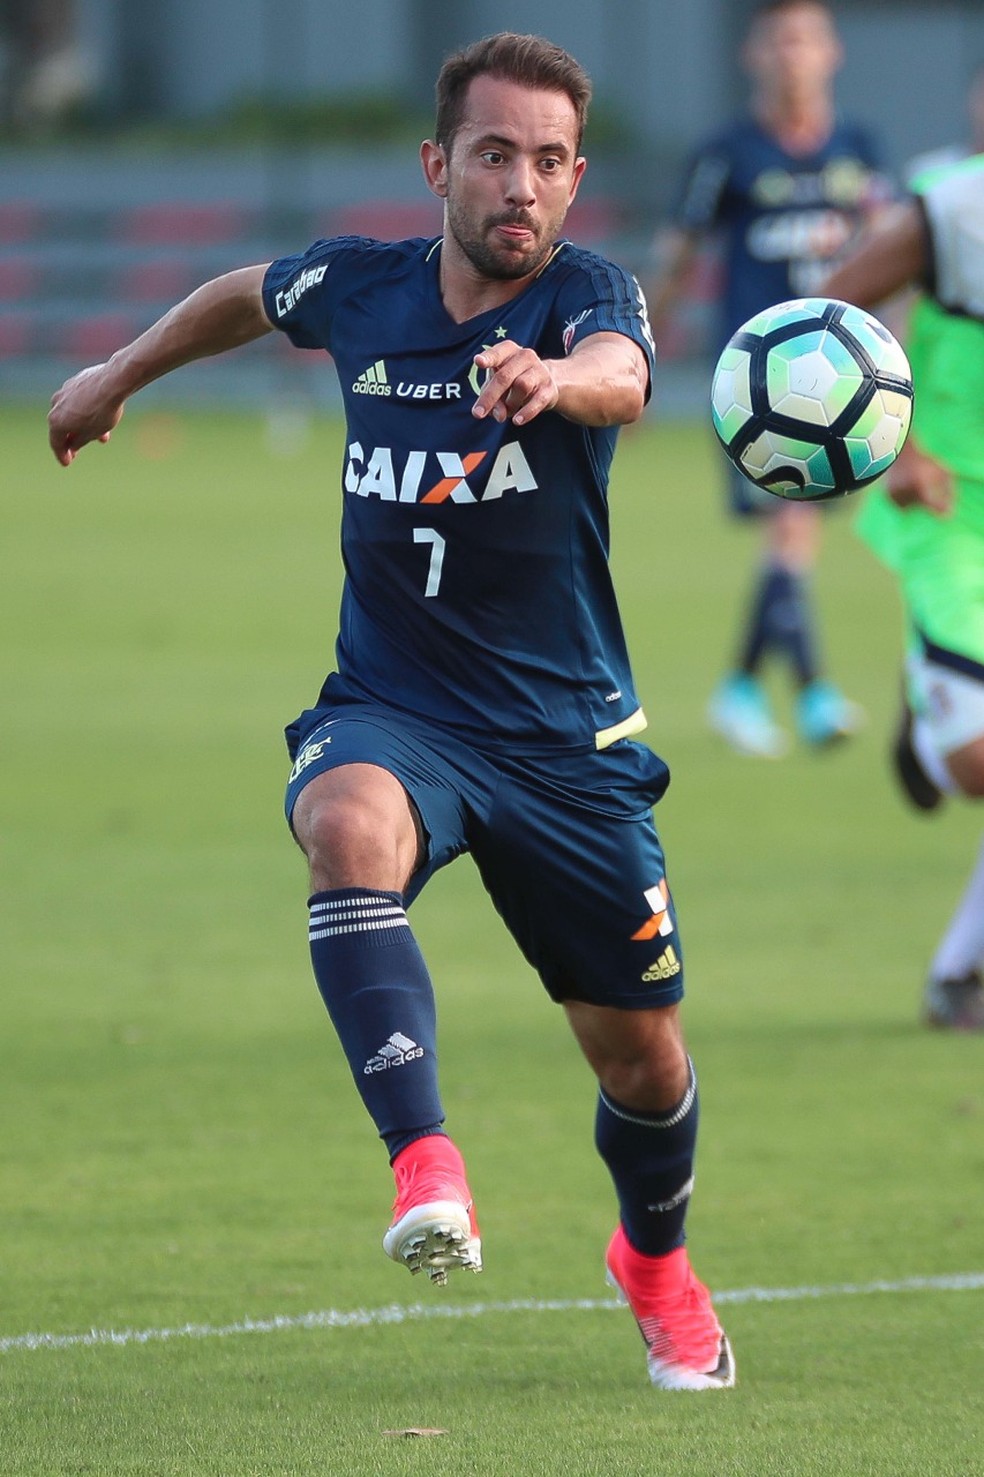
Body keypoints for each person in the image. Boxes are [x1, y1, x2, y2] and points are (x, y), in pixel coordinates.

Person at [47, 33, 735, 1390]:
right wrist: (116, 373)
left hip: (563, 744)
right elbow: (249, 291)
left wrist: (555, 382)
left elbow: (624, 375)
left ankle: (655, 1263)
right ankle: (426, 1165)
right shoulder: (360, 288)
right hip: (399, 707)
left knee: (644, 1062)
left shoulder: (587, 296)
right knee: (344, 820)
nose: (522, 186)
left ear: (576, 177)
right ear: (439, 166)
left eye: (549, 162)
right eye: (495, 156)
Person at [649, 0, 891, 758]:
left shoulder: (858, 148)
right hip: (757, 383)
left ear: (833, 54)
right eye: (780, 40)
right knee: (793, 526)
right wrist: (638, 352)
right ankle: (815, 693)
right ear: (755, 54)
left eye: (807, 39)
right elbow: (680, 257)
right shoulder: (727, 151)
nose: (794, 54)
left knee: (797, 535)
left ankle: (744, 686)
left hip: (844, 379)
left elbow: (889, 250)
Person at [822, 154, 984, 1031]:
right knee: (975, 765)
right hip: (951, 505)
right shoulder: (955, 213)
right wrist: (901, 442)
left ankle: (961, 975)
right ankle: (929, 738)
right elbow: (830, 313)